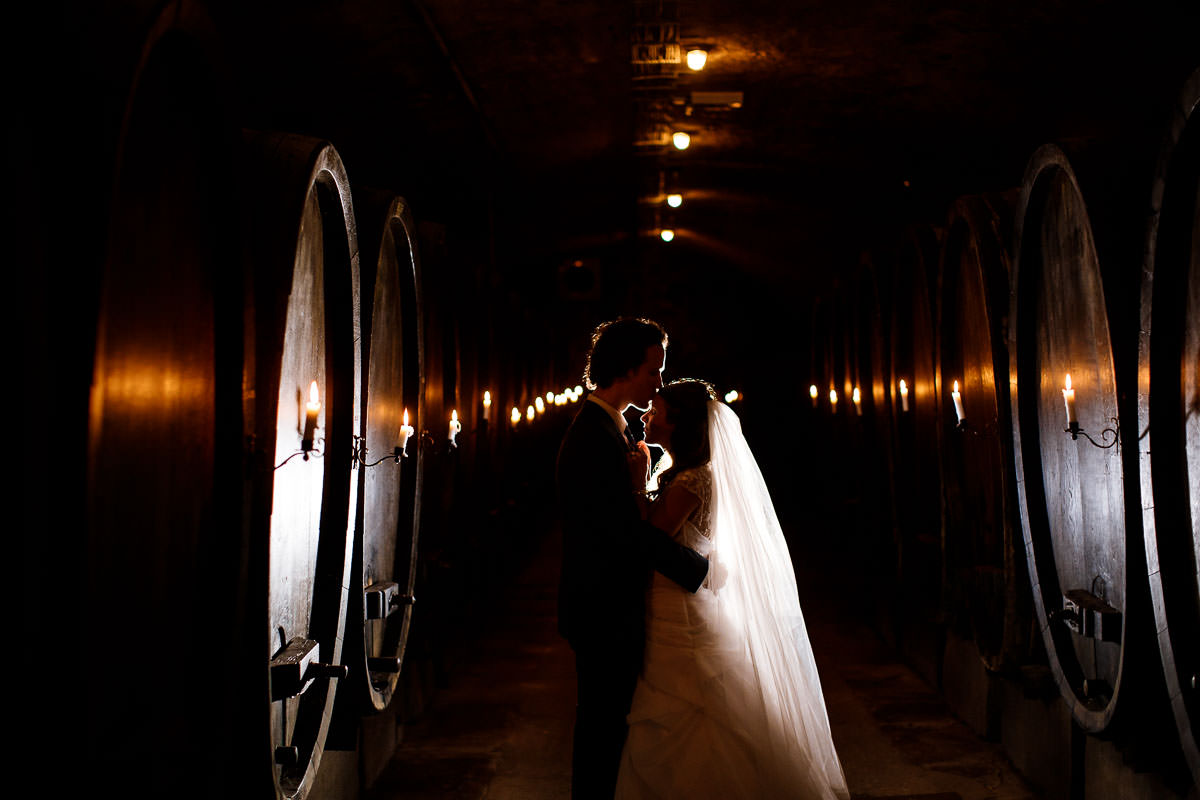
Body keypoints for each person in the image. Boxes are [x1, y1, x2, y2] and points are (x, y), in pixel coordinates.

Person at [615, 379, 850, 800]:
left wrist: (635, 480)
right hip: (672, 604)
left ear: (677, 421)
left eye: (657, 410)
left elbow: (649, 536)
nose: (647, 416)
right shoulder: (685, 473)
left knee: (690, 709)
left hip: (680, 614)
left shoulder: (693, 479)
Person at [557, 318, 711, 800]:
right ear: (624, 369)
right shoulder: (592, 436)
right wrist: (695, 569)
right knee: (601, 733)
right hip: (603, 609)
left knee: (612, 730)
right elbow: (620, 532)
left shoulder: (612, 428)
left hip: (616, 606)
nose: (659, 383)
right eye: (653, 371)